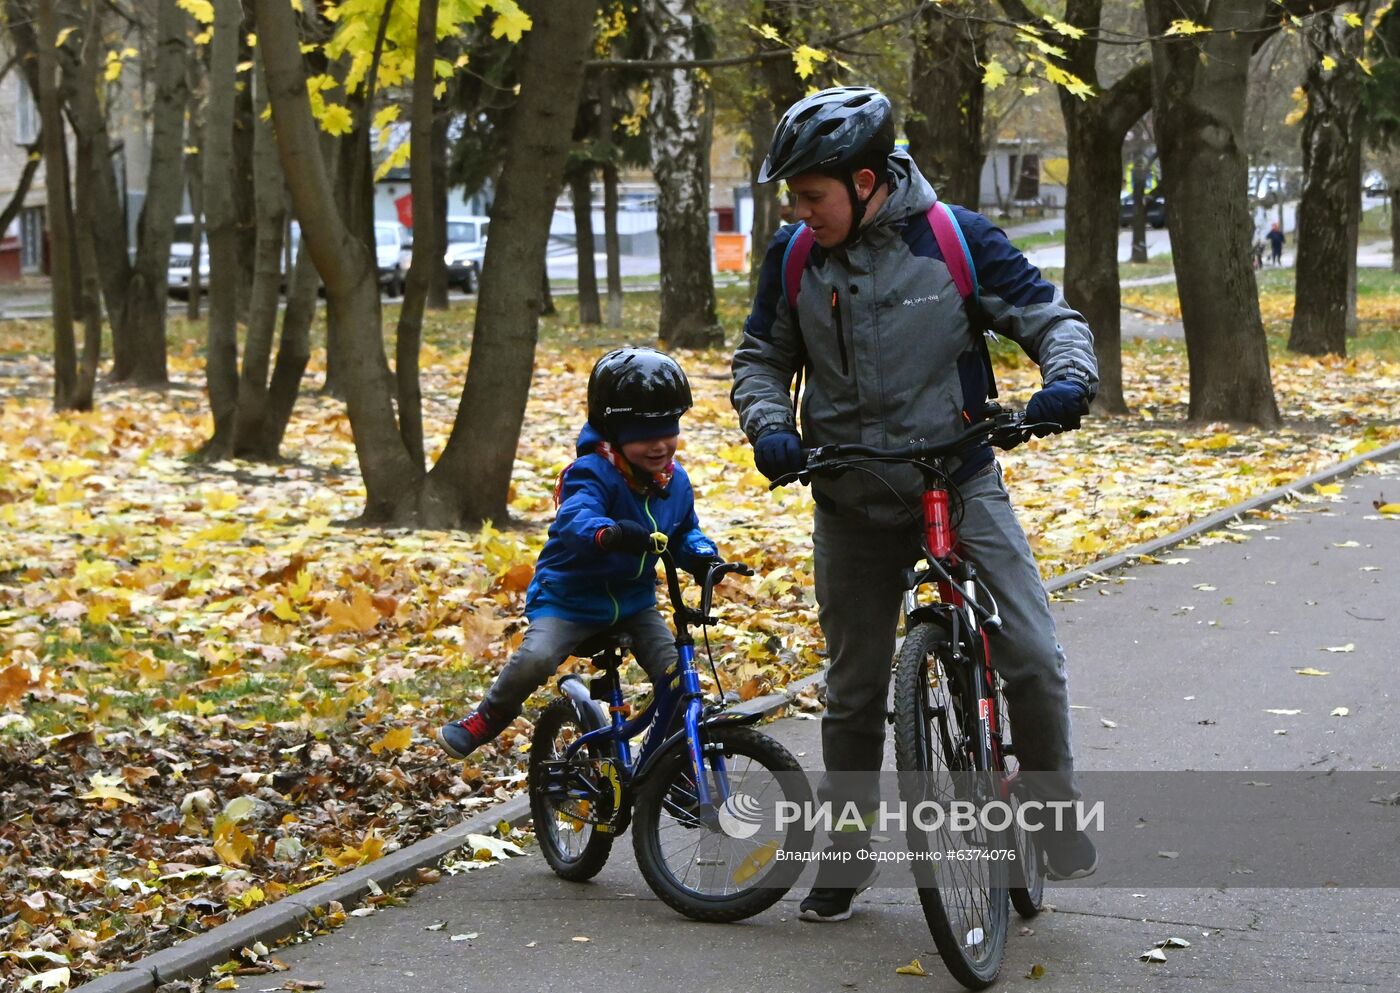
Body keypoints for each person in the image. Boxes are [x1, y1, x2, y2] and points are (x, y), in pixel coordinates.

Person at [731, 86, 1099, 923]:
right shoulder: (795, 257)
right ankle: (850, 853)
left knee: (1032, 655)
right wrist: (769, 426)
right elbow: (759, 357)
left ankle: (1048, 809)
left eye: (811, 194)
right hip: (851, 492)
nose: (799, 210)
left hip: (958, 476)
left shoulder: (954, 239)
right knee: (855, 690)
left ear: (866, 181)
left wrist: (1067, 379)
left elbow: (1048, 316)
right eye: (792, 195)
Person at [436, 347, 720, 759]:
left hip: (633, 603)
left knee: (678, 677)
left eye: (668, 430)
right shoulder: (591, 473)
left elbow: (682, 530)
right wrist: (606, 533)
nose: (659, 445)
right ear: (614, 434)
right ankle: (487, 717)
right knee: (535, 658)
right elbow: (574, 518)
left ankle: (672, 762)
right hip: (569, 600)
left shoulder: (674, 482)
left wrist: (702, 554)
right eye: (644, 435)